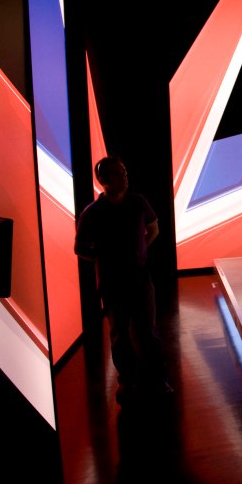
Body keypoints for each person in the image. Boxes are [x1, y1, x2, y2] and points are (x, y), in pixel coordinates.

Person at [75, 156, 172, 403]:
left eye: (125, 172)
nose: (125, 178)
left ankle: (157, 380)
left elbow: (154, 229)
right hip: (112, 283)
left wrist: (140, 250)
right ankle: (128, 381)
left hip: (140, 277)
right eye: (119, 173)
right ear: (104, 179)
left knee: (148, 332)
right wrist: (104, 257)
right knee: (120, 335)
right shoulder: (92, 213)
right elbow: (80, 248)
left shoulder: (138, 203)